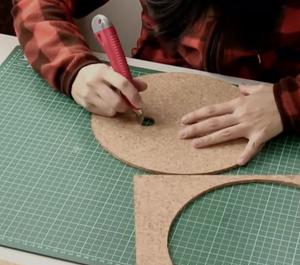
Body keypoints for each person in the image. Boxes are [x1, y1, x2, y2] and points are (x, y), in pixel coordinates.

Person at [12, 0, 300, 165]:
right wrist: (73, 68)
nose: (194, 47)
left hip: (273, 115)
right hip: (154, 89)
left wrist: (288, 102)